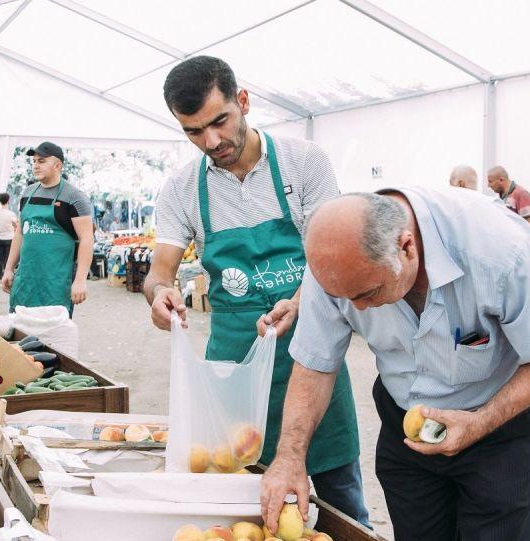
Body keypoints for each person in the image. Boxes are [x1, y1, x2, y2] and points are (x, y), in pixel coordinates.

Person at [260, 188, 530, 540]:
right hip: (405, 426)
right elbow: (314, 363)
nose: (360, 309)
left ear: (407, 247)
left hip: (495, 427)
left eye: (367, 294)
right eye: (346, 299)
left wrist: (480, 423)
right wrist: (290, 456)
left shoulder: (501, 252)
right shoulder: (336, 266)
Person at [144, 56, 368, 526]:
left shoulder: (303, 162)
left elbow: (334, 256)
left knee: (341, 506)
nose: (211, 142)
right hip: (233, 367)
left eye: (219, 122)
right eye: (193, 132)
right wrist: (160, 294)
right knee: (241, 510)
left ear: (242, 101)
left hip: (312, 357)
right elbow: (159, 272)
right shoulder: (183, 189)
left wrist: (302, 299)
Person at [1, 141, 93, 315]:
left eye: (41, 161)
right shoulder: (28, 193)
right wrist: (8, 268)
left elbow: (87, 239)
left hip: (57, 280)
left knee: (53, 335)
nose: (35, 165)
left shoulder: (75, 197)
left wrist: (80, 280)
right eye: (34, 161)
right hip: (26, 278)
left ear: (58, 165)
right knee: (21, 333)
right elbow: (20, 233)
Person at [0, 192, 18, 278]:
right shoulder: (11, 214)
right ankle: (7, 275)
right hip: (9, 238)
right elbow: (16, 224)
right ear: (8, 200)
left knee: (0, 258)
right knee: (8, 257)